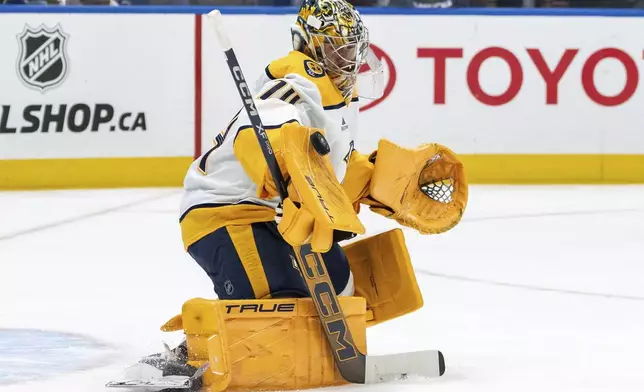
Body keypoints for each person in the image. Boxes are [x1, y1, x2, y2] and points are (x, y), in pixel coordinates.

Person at [112, 0, 467, 388]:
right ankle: (186, 358)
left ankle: (292, 344)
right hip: (225, 213)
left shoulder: (339, 100)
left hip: (273, 216)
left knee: (343, 287)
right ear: (309, 46)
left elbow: (335, 170)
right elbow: (260, 135)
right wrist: (287, 165)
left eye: (351, 49)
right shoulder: (291, 88)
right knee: (275, 300)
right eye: (336, 48)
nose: (347, 59)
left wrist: (381, 183)